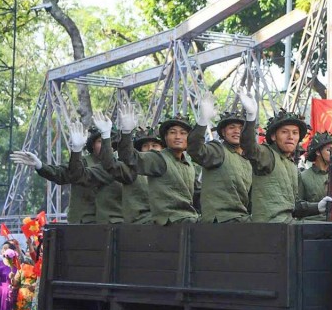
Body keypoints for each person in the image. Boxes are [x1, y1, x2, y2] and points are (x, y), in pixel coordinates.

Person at [114, 112, 199, 225]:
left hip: (188, 218)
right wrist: (126, 132)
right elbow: (130, 157)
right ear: (165, 138)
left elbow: (199, 194)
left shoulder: (189, 164)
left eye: (183, 133)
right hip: (168, 220)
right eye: (173, 133)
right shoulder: (158, 158)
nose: (178, 137)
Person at [188, 93, 253, 223]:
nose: (237, 131)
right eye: (231, 128)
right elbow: (196, 150)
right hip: (220, 221)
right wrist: (203, 120)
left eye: (241, 128)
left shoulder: (248, 160)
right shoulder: (218, 150)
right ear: (223, 133)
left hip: (241, 218)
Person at [11, 123, 95, 223]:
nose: (105, 146)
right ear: (92, 144)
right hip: (86, 223)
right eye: (99, 141)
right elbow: (62, 173)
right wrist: (39, 165)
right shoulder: (83, 163)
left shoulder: (116, 166)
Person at [243, 109, 307, 223]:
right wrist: (251, 117)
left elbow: (294, 205)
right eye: (284, 132)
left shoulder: (291, 165)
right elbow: (249, 147)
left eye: (295, 133)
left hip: (287, 224)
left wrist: (319, 206)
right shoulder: (267, 155)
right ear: (273, 136)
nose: (291, 137)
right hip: (269, 227)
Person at [100, 108, 162, 225]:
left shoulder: (171, 166)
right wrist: (106, 135)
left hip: (168, 223)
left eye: (155, 145)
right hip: (141, 225)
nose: (150, 149)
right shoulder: (134, 170)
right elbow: (110, 164)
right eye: (145, 146)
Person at [298, 131, 332, 221]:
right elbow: (297, 207)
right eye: (329, 150)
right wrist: (317, 207)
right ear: (318, 152)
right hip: (311, 226)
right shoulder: (303, 177)